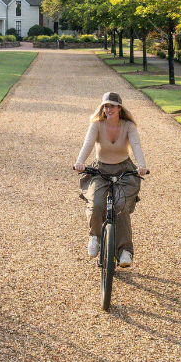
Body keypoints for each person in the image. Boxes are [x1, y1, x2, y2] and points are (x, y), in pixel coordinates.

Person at [74, 91, 148, 268]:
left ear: (119, 108)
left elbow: (136, 145)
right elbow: (88, 143)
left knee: (120, 206)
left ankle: (125, 251)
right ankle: (95, 237)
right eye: (106, 106)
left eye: (112, 106)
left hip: (124, 169)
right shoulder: (97, 125)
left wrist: (142, 165)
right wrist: (80, 162)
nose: (109, 109)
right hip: (100, 169)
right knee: (97, 203)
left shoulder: (128, 125)